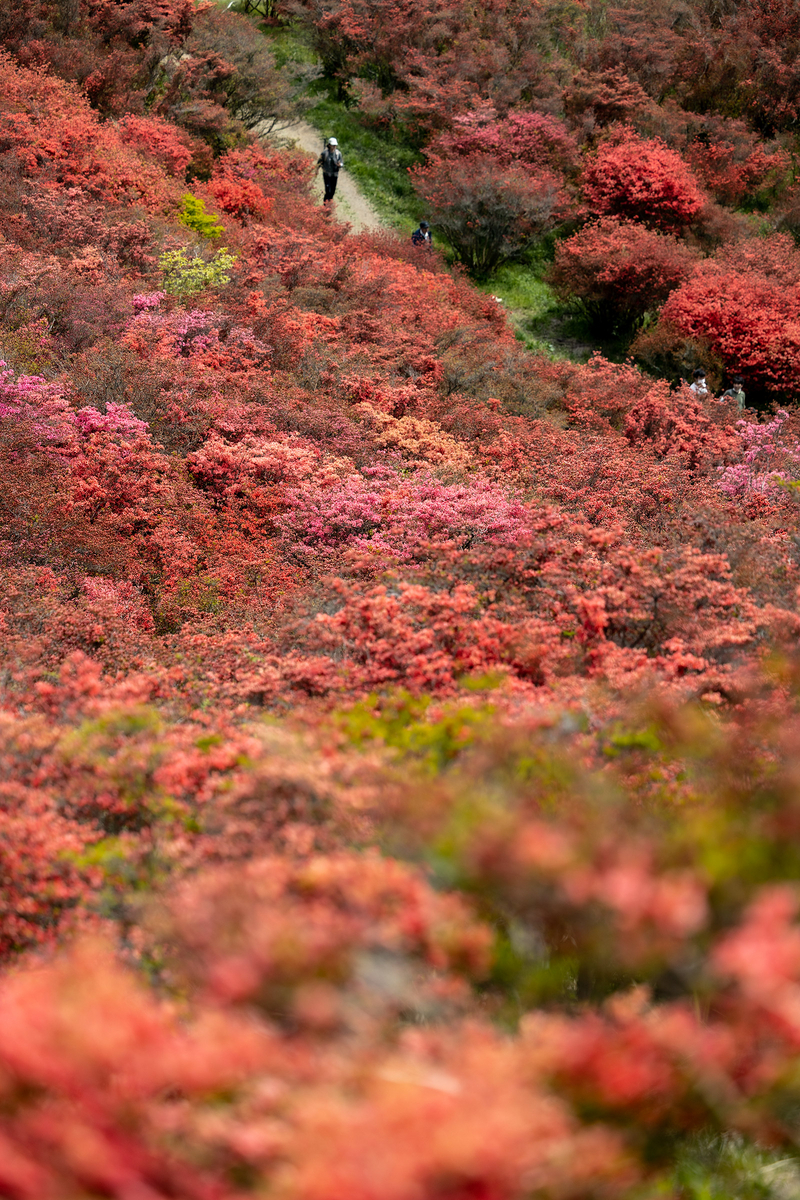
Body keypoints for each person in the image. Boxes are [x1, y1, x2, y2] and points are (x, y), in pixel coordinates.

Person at [317, 137, 344, 204]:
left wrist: (339, 165)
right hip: (326, 175)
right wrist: (317, 170)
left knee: (332, 191)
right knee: (328, 190)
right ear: (329, 145)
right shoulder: (324, 153)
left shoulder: (338, 153)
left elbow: (341, 163)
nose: (334, 146)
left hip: (334, 175)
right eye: (333, 145)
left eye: (335, 145)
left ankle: (329, 203)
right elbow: (319, 162)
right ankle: (325, 205)